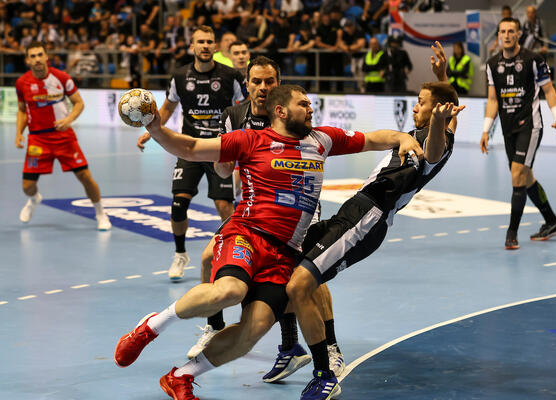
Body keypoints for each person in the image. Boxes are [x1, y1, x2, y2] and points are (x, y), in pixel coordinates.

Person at [114, 84, 424, 400]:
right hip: (246, 234)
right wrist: (157, 129)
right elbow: (192, 147)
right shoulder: (251, 140)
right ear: (281, 111)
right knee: (230, 291)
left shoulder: (322, 140)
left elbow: (371, 139)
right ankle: (150, 327)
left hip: (285, 252)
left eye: (310, 104)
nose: (310, 109)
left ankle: (181, 376)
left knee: (254, 328)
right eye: (303, 104)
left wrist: (401, 137)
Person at [286, 41, 465, 400]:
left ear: (435, 113)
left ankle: (325, 372)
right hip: (354, 209)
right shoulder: (429, 128)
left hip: (367, 218)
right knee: (292, 264)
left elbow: (434, 148)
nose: (415, 107)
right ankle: (301, 348)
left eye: (421, 103)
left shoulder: (436, 140)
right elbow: (448, 110)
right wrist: (443, 77)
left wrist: (438, 118)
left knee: (299, 283)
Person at [185, 57, 346, 383]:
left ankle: (329, 348)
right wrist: (224, 162)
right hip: (256, 211)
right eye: (256, 81)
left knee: (307, 278)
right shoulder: (234, 116)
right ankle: (217, 327)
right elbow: (223, 169)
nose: (262, 88)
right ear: (246, 84)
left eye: (269, 82)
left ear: (278, 85)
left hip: (298, 209)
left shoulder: (292, 114)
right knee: (208, 258)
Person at [136, 26, 245, 280]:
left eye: (209, 42)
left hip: (219, 148)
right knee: (178, 203)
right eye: (200, 42)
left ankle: (232, 256)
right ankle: (180, 254)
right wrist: (152, 130)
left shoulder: (230, 75)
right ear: (192, 46)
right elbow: (168, 108)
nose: (205, 46)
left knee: (224, 206)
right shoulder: (180, 76)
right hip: (189, 147)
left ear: (215, 46)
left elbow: (245, 107)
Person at [481, 17, 556, 250]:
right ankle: (552, 221)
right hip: (508, 128)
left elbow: (549, 90)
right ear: (498, 35)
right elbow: (492, 100)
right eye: (503, 31)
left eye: (511, 31)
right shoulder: (492, 64)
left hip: (530, 125)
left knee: (517, 173)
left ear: (518, 34)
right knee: (526, 177)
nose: (507, 35)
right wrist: (486, 130)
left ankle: (512, 233)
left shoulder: (533, 60)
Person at [15, 41, 111, 230]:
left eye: (40, 55)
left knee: (84, 175)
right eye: (33, 56)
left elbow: (79, 103)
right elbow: (22, 110)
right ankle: (34, 199)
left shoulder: (61, 77)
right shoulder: (21, 83)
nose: (37, 59)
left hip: (63, 136)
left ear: (46, 57)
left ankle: (100, 212)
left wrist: (69, 119)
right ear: (27, 60)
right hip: (37, 139)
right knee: (27, 186)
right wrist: (18, 133)